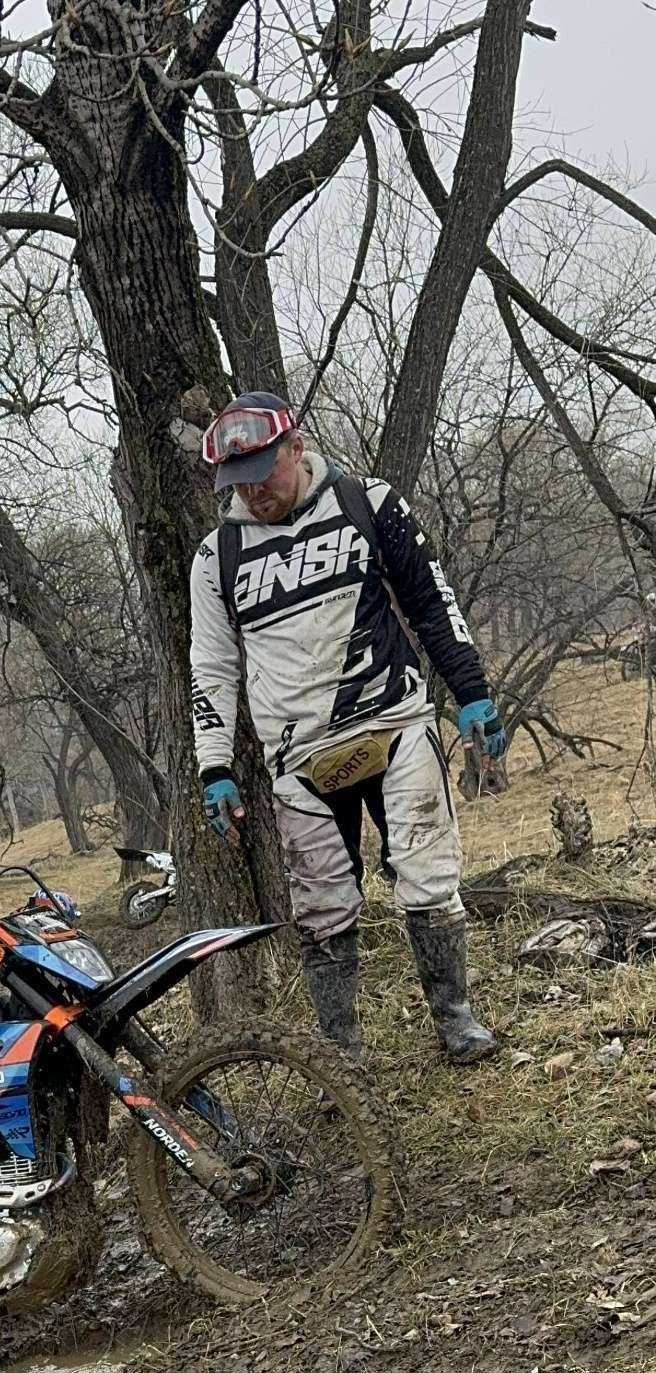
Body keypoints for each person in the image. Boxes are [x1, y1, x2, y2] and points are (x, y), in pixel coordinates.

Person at [189, 390, 504, 1065]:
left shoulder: (369, 501)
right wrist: (214, 767)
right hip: (299, 755)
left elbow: (429, 599)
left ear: (294, 449)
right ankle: (342, 1058)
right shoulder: (216, 557)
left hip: (393, 724)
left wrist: (471, 692)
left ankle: (456, 1019)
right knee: (323, 910)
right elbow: (210, 666)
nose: (254, 492)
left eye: (263, 474)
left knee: (427, 876)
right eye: (238, 483)